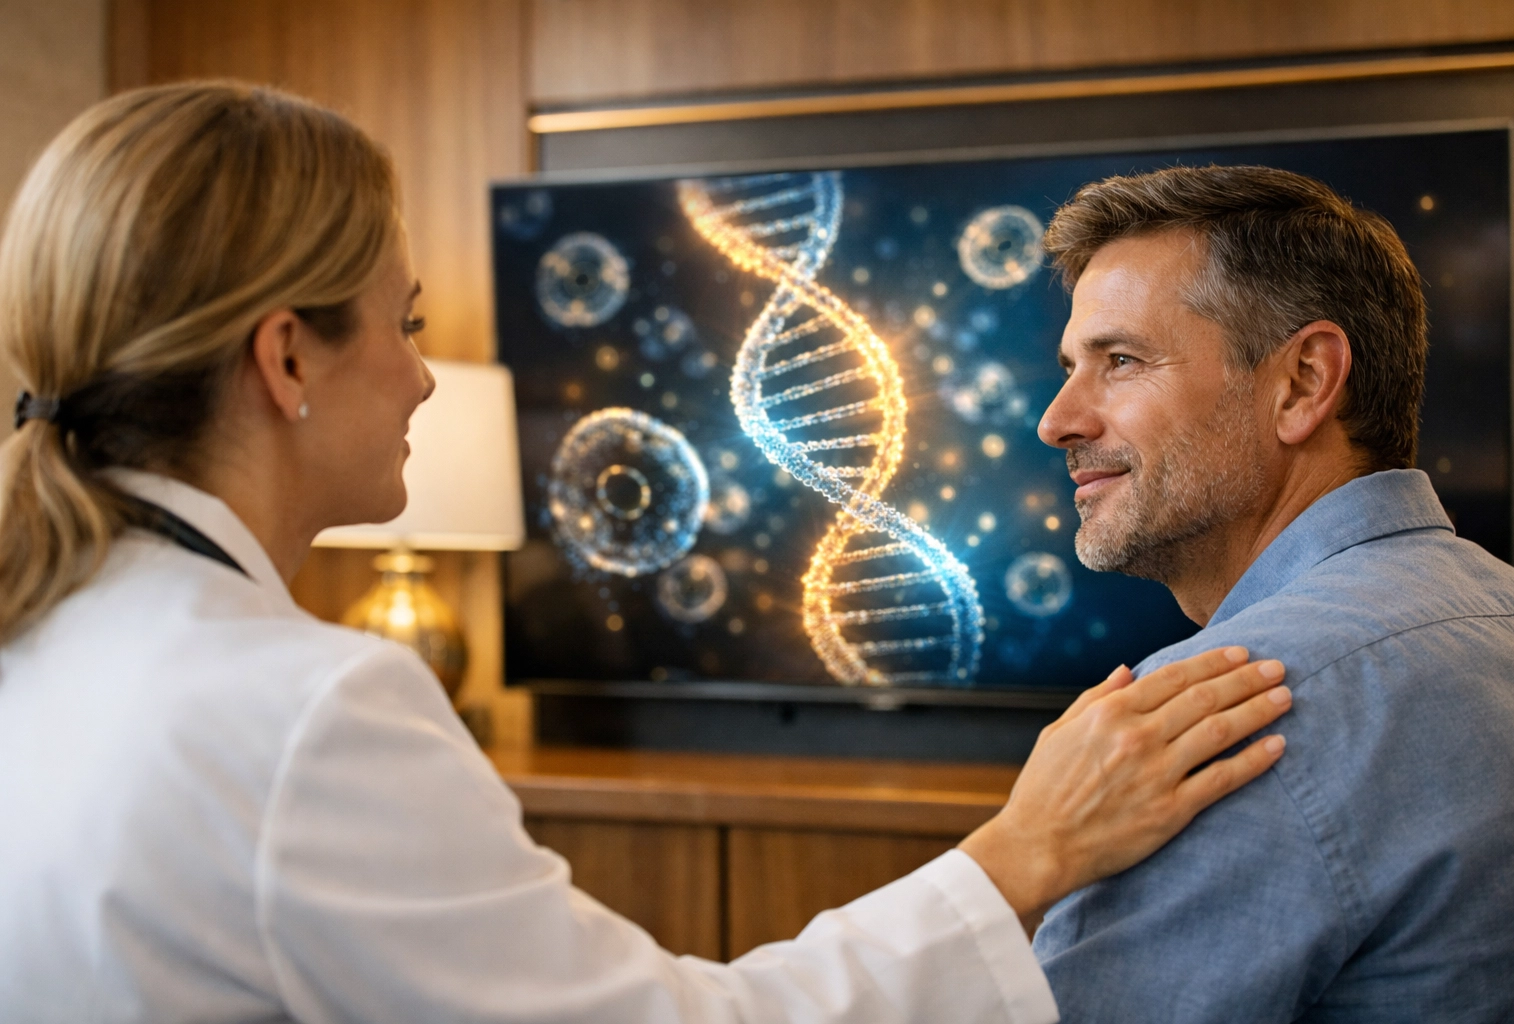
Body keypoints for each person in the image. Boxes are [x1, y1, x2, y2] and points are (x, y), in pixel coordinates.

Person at [0, 84, 1292, 1024]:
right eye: (406, 322)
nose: (422, 378)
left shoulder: (46, 642)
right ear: (287, 358)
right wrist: (1023, 853)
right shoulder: (306, 713)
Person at [1030, 164, 1514, 1021]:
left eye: (1121, 361)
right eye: (1071, 365)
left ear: (1303, 382)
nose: (1057, 421)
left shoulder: (1216, 714)